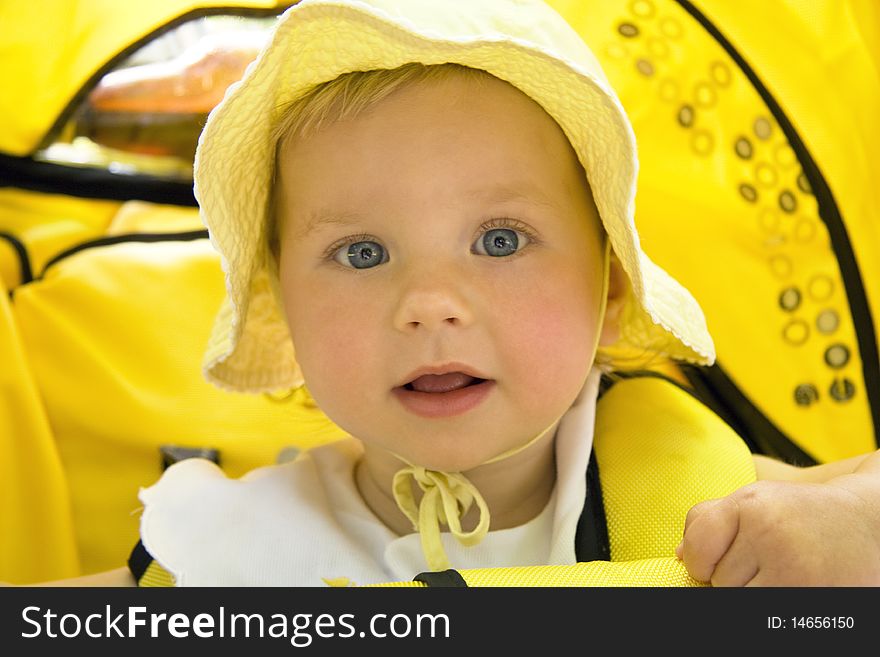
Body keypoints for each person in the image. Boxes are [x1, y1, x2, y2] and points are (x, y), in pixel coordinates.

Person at [28, 0, 880, 587]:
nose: (430, 302)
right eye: (361, 251)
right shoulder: (226, 553)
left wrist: (855, 524)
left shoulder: (709, 501)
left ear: (612, 288)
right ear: (284, 307)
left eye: (500, 240)